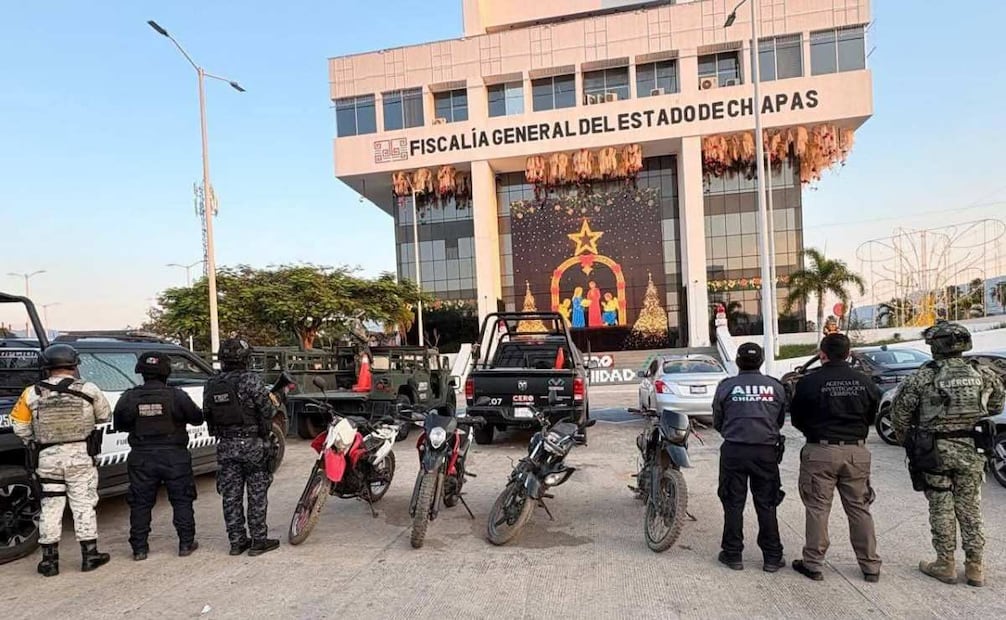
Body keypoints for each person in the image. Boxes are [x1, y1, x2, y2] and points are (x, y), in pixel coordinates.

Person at [891, 321, 1005, 587]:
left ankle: (945, 563)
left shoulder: (923, 376)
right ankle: (975, 566)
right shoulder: (983, 373)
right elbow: (996, 405)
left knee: (941, 506)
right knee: (971, 507)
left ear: (935, 347)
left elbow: (900, 414)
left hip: (935, 452)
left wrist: (908, 440)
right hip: (972, 450)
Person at [10, 344, 112, 576]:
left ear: (46, 367)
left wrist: (35, 440)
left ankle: (49, 561)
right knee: (83, 503)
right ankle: (90, 556)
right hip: (80, 457)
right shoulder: (89, 388)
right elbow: (105, 415)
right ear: (74, 365)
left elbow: (19, 425)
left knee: (51, 505)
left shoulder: (31, 392)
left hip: (47, 457)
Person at [790, 333, 882, 582]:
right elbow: (872, 416)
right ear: (849, 354)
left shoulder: (810, 382)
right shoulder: (865, 382)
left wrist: (815, 433)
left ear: (822, 355)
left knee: (818, 508)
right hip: (856, 452)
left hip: (820, 450)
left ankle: (813, 563)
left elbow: (796, 417)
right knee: (860, 509)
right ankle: (870, 565)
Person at [112, 351, 205, 561]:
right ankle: (186, 543)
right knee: (182, 500)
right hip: (174, 456)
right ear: (166, 372)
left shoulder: (129, 397)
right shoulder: (177, 395)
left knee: (140, 503)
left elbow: (121, 424)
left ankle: (139, 549)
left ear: (141, 372)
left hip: (142, 457)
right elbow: (197, 418)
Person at [712, 343, 787, 572]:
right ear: (762, 361)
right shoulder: (775, 387)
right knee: (766, 503)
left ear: (737, 361)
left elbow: (717, 419)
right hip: (765, 451)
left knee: (733, 503)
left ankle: (733, 554)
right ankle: (772, 557)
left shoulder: (727, 386)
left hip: (734, 450)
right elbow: (780, 420)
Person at [203, 338, 280, 556]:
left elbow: (207, 413)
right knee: (256, 493)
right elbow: (267, 411)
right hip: (252, 445)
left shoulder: (211, 383)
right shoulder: (250, 380)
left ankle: (236, 542)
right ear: (245, 358)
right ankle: (258, 541)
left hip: (226, 445)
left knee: (230, 495)